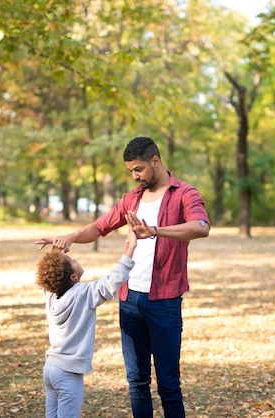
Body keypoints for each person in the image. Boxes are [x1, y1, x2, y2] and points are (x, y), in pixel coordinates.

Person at [36, 136, 211, 417]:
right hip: (129, 301)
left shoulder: (184, 194)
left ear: (156, 161)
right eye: (131, 171)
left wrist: (154, 230)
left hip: (164, 302)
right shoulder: (132, 199)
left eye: (139, 169)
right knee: (136, 382)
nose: (135, 176)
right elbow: (99, 226)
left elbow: (201, 227)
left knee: (168, 384)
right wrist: (69, 237)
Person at [36, 228, 137, 418]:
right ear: (73, 277)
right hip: (67, 373)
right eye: (72, 261)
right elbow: (111, 282)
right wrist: (131, 247)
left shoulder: (51, 294)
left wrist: (56, 250)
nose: (75, 259)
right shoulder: (83, 294)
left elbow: (50, 275)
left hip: (51, 369)